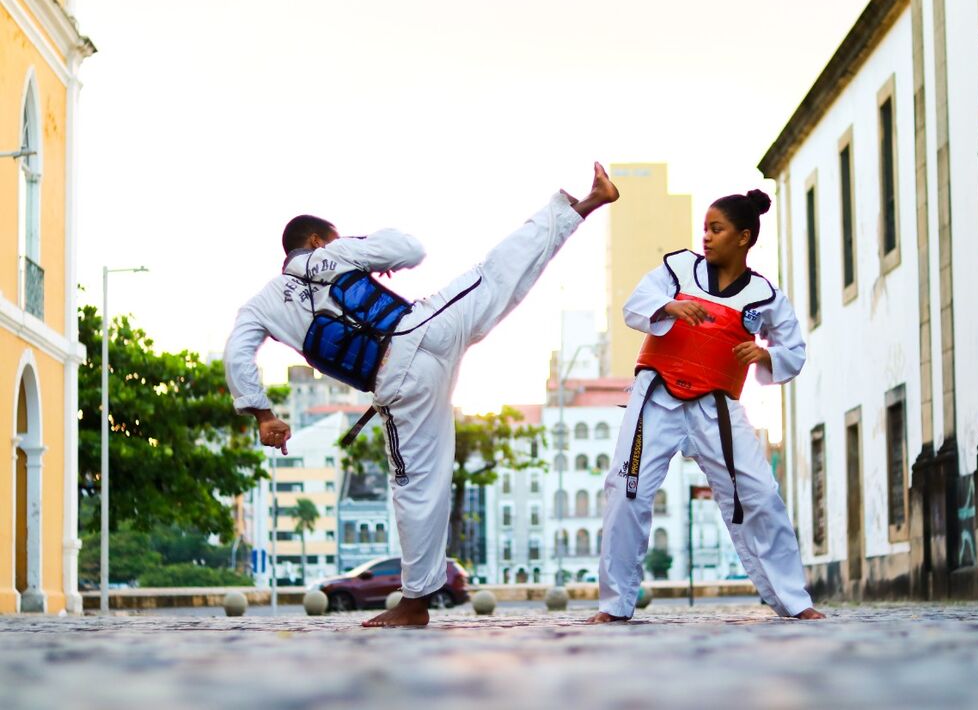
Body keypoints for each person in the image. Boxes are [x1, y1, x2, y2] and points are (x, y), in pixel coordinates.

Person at [225, 163, 619, 627]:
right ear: (315, 241)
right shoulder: (337, 254)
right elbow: (411, 249)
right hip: (424, 327)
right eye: (333, 238)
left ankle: (414, 604)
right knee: (495, 275)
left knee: (416, 488)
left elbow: (237, 354)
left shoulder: (260, 304)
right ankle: (585, 205)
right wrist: (356, 249)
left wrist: (263, 415)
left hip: (396, 383)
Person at [588, 189, 824, 623]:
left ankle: (794, 600)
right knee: (626, 491)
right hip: (656, 398)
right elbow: (634, 305)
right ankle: (615, 605)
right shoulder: (678, 268)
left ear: (744, 237)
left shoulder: (764, 296)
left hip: (716, 407)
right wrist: (670, 306)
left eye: (717, 230)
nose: (707, 238)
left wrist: (767, 356)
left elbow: (793, 347)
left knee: (760, 495)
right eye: (705, 229)